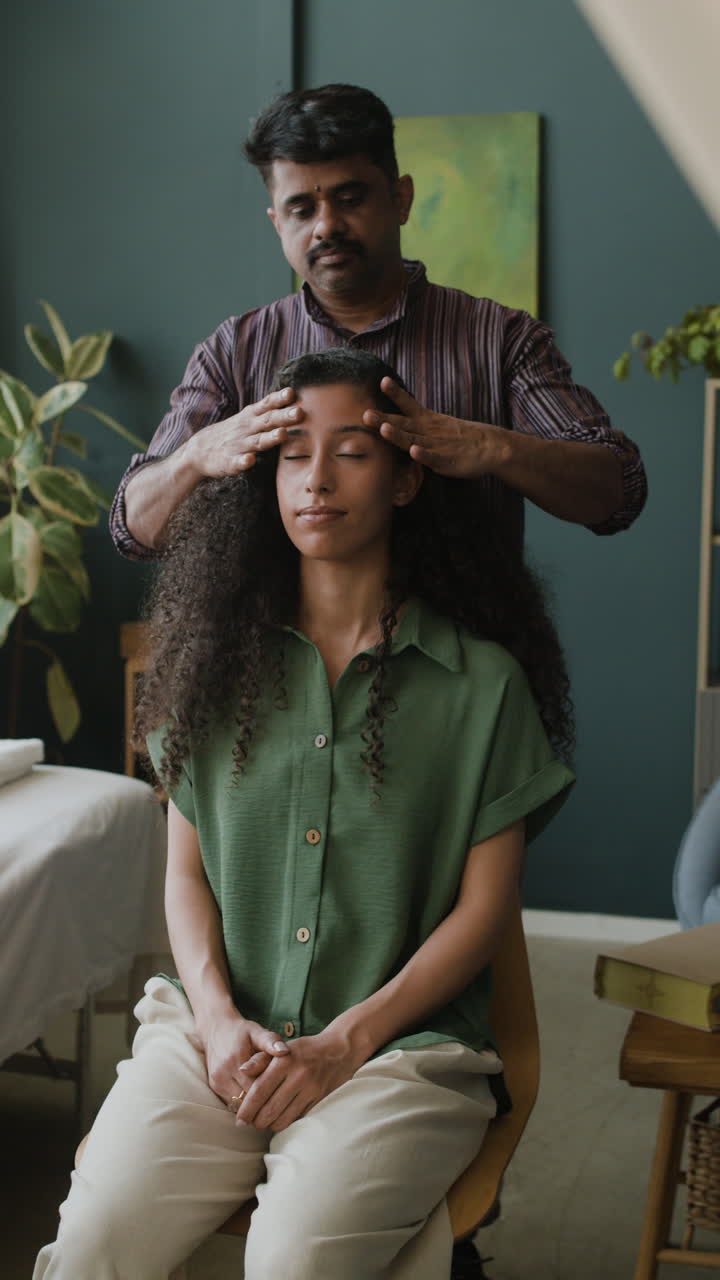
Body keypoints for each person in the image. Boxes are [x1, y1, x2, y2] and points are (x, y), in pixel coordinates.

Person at [37, 349, 575, 1280]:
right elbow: (185, 876)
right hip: (219, 1039)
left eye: (353, 453)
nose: (316, 480)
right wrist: (213, 1016)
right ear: (264, 475)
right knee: (88, 1248)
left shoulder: (483, 687)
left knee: (293, 1264)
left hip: (399, 1057)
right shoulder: (209, 669)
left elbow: (485, 916)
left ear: (408, 475)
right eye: (292, 454)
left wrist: (342, 1045)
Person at [109, 83, 647, 564]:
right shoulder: (234, 352)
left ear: (401, 199)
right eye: (301, 209)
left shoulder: (500, 338)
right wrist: (195, 458)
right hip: (282, 668)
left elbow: (617, 492)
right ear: (277, 223)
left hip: (468, 665)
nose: (327, 227)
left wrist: (493, 447)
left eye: (350, 198)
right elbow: (135, 531)